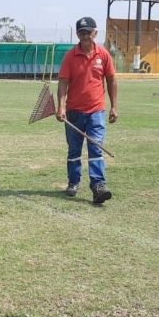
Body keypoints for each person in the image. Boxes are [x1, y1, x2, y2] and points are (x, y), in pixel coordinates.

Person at [56, 17, 118, 204]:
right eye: (81, 33)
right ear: (77, 34)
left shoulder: (104, 55)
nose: (85, 36)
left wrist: (114, 106)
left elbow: (111, 80)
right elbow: (63, 82)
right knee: (74, 150)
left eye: (88, 32)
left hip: (96, 112)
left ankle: (98, 185)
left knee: (96, 148)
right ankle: (73, 182)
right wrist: (61, 106)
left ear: (95, 33)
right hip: (74, 112)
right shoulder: (70, 56)